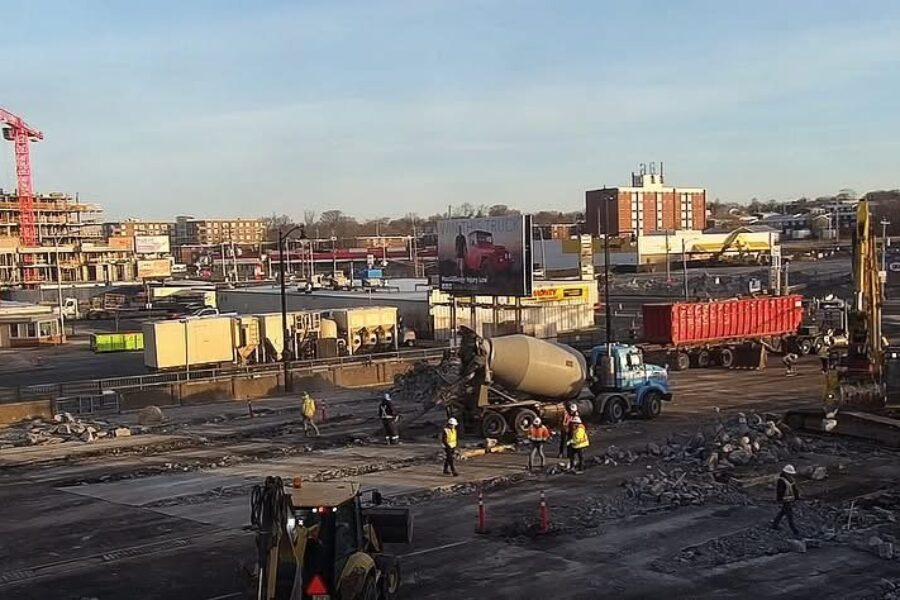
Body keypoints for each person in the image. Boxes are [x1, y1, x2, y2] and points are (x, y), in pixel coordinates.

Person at [772, 464, 801, 536]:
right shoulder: (781, 481)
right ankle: (795, 531)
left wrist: (797, 497)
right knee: (789, 515)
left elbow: (795, 489)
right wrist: (779, 499)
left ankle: (775, 524)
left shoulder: (791, 480)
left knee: (783, 512)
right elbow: (780, 491)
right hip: (786, 500)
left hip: (789, 499)